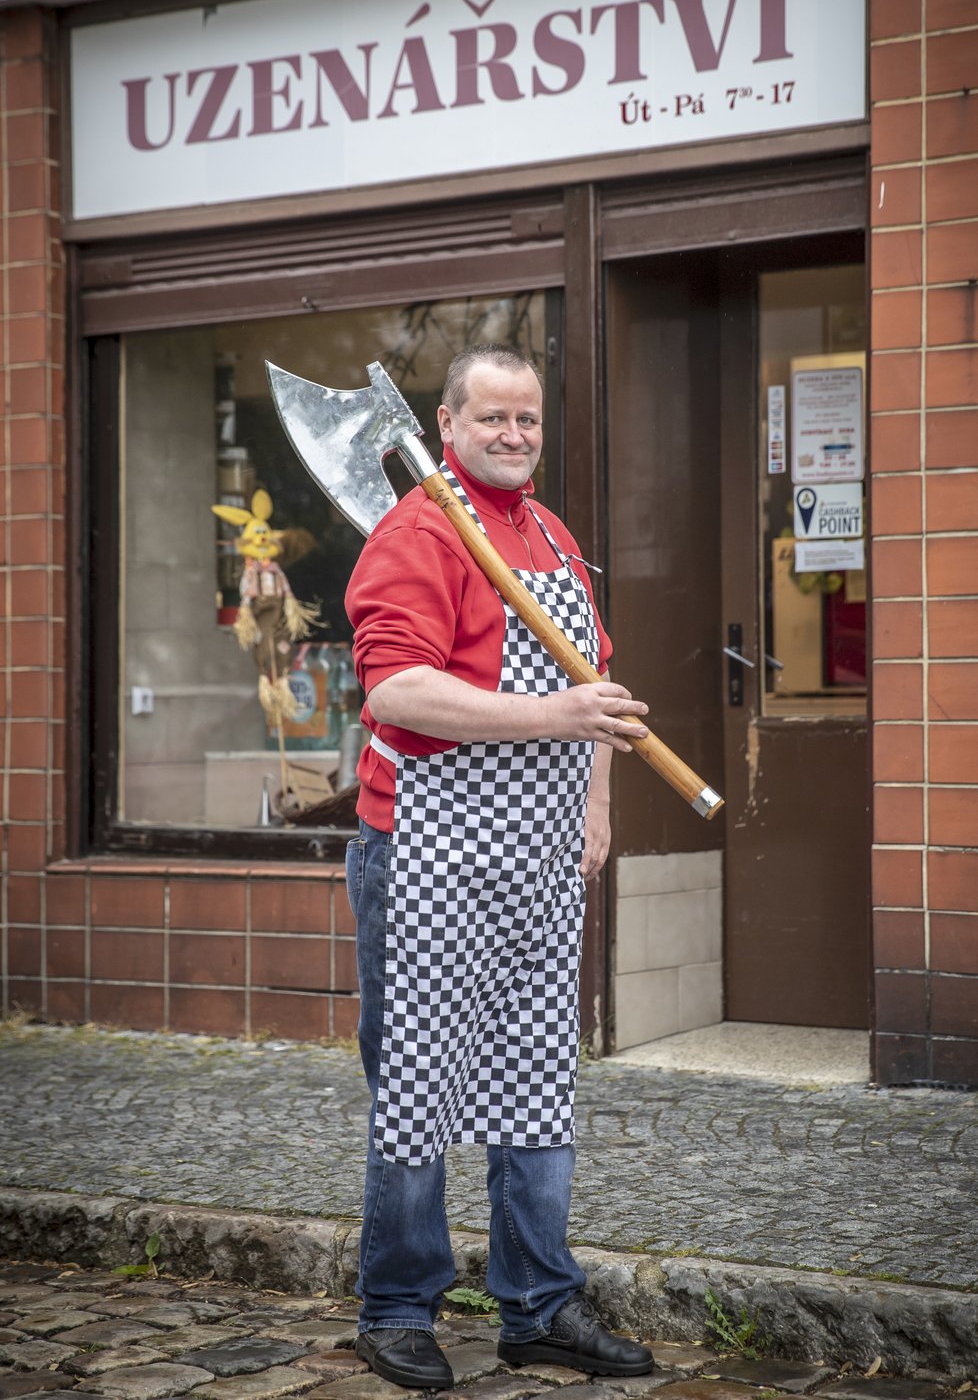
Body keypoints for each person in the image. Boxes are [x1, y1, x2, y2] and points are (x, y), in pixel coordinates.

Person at [344, 343, 654, 1390]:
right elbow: (398, 693)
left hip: (535, 858)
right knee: (420, 1083)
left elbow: (596, 686)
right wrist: (550, 716)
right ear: (447, 425)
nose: (514, 436)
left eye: (527, 420)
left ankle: (538, 1304)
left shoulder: (551, 537)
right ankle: (395, 1305)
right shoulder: (418, 531)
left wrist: (594, 802)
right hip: (425, 849)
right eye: (493, 420)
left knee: (535, 1077)